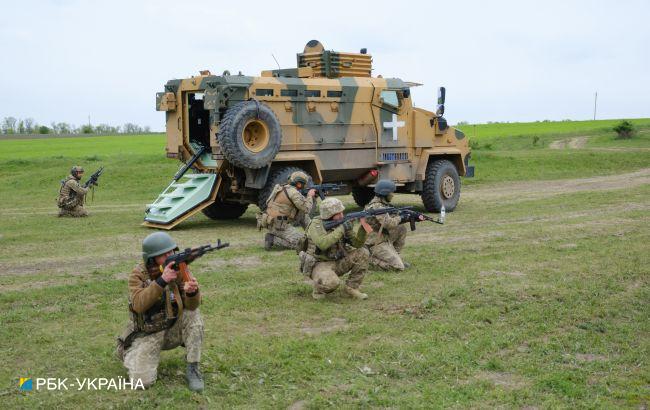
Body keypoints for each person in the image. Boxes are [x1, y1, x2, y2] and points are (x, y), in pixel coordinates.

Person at [116, 232, 205, 391]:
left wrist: (192, 292)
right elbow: (138, 304)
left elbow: (191, 306)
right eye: (163, 255)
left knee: (193, 315)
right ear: (151, 259)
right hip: (148, 333)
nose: (169, 256)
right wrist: (162, 281)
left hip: (171, 328)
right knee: (141, 383)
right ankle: (130, 352)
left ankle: (193, 368)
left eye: (171, 252)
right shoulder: (138, 274)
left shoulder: (179, 269)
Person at [299, 197, 373, 300]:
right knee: (332, 283)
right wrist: (342, 228)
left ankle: (352, 288)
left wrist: (363, 228)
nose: (342, 216)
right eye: (339, 214)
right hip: (319, 264)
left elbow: (357, 244)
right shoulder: (316, 224)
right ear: (329, 214)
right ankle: (319, 288)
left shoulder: (342, 223)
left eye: (342, 212)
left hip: (337, 261)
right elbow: (323, 243)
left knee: (363, 252)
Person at [364, 179, 423, 270]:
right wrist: (402, 218)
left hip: (382, 237)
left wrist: (410, 217)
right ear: (385, 194)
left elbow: (394, 216)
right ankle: (369, 261)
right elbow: (388, 223)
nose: (392, 195)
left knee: (401, 228)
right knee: (398, 267)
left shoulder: (382, 205)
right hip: (375, 242)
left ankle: (395, 257)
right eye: (391, 193)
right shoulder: (377, 207)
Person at [259, 171, 316, 251]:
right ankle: (273, 239)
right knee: (303, 243)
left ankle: (313, 233)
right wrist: (310, 196)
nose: (304, 186)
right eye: (303, 184)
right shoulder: (293, 193)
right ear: (299, 184)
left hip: (272, 221)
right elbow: (306, 209)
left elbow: (301, 208)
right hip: (279, 226)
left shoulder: (282, 187)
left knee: (302, 214)